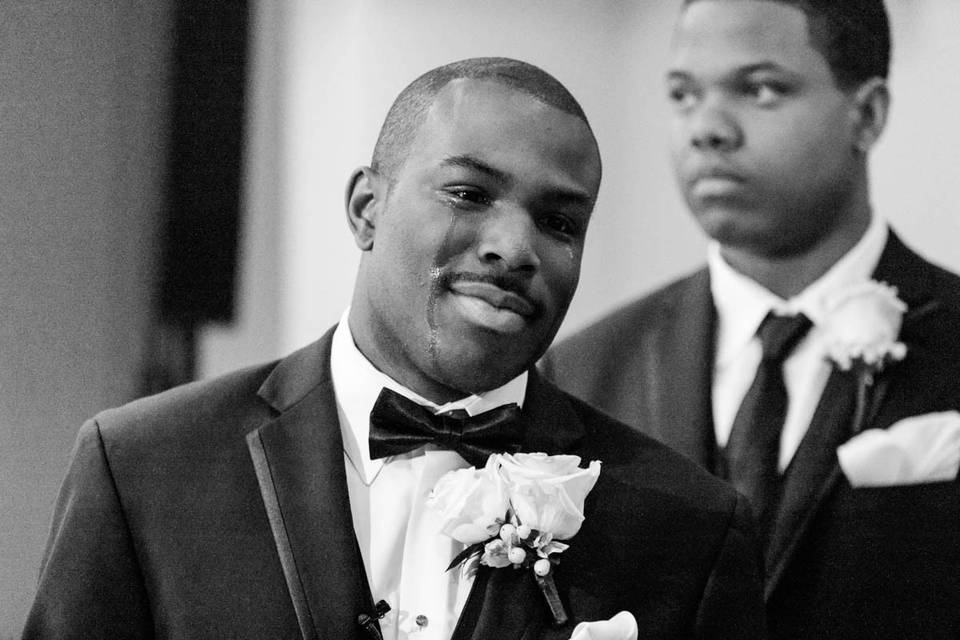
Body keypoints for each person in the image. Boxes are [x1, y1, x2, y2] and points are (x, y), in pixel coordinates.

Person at [24, 58, 764, 639]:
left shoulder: (683, 525)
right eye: (470, 194)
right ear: (366, 208)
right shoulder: (143, 469)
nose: (514, 247)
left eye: (559, 221)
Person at [541, 2, 960, 639]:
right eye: (683, 94)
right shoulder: (577, 371)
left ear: (867, 115)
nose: (706, 127)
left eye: (761, 89)